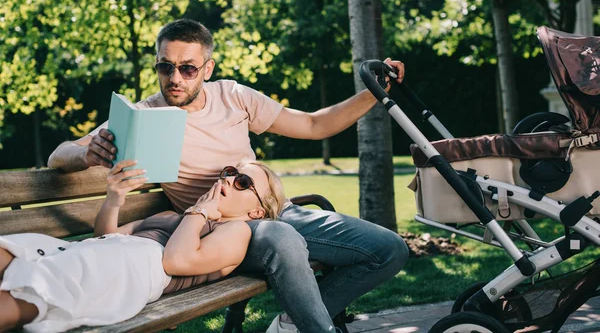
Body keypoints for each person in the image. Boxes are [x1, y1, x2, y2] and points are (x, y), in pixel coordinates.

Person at [47, 19, 410, 333]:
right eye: (165, 67)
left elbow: (314, 124)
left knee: (388, 249)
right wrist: (84, 153)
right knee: (281, 237)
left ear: (207, 68)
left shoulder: (234, 96)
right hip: (220, 232)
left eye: (187, 68)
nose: (175, 78)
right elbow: (56, 156)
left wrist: (373, 94)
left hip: (275, 212)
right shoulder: (144, 116)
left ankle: (293, 322)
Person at [0, 159, 285, 333]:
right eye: (230, 171)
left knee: (35, 292)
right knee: (12, 250)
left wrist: (200, 212)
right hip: (95, 251)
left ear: (257, 212)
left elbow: (174, 261)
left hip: (134, 265)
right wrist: (114, 199)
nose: (229, 179)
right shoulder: (173, 216)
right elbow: (107, 235)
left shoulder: (235, 230)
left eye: (243, 182)